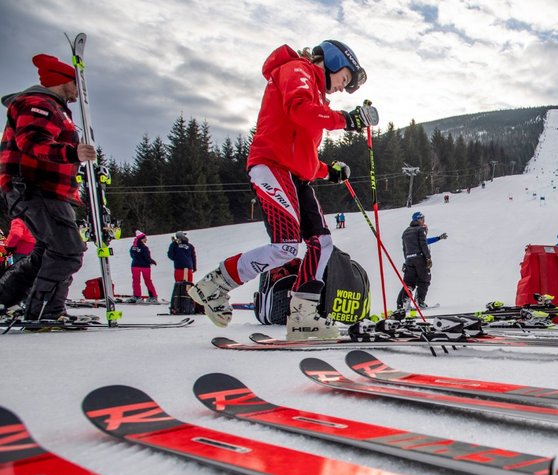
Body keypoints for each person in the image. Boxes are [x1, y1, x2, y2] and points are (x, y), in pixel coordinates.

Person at [190, 39, 369, 338]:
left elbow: (302, 156)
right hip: (271, 165)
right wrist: (344, 120)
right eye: (344, 79)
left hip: (295, 175)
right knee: (285, 247)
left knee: (321, 243)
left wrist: (328, 171)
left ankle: (303, 317)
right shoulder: (297, 69)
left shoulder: (318, 99)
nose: (341, 88)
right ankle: (213, 286)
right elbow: (299, 109)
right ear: (335, 61)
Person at [0, 53, 96, 322]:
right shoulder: (38, 104)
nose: (78, 92)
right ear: (62, 81)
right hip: (35, 186)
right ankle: (44, 312)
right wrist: (72, 153)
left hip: (45, 189)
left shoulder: (51, 106)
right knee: (68, 250)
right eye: (75, 84)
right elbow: (32, 142)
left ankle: (5, 299)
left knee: (48, 251)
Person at [396, 210, 447, 310]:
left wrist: (438, 238)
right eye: (422, 218)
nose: (424, 221)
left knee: (409, 283)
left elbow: (405, 248)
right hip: (420, 259)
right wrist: (428, 258)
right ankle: (420, 301)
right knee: (424, 280)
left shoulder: (406, 231)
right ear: (418, 219)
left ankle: (405, 301)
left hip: (409, 260)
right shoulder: (420, 229)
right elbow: (423, 244)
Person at [129, 231, 158, 303]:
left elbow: (132, 255)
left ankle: (137, 296)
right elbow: (147, 257)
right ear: (141, 239)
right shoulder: (144, 248)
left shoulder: (133, 247)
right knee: (148, 281)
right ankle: (153, 296)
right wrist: (151, 261)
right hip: (145, 267)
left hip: (135, 265)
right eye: (145, 238)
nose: (146, 239)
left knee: (136, 281)